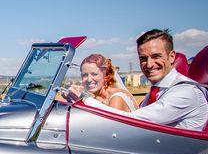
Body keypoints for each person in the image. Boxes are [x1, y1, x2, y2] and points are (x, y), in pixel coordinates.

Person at [74, 29, 208, 131]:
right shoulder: (158, 90)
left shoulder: (185, 92)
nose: (149, 64)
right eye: (143, 59)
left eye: (156, 56)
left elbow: (134, 121)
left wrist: (85, 100)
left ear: (172, 56)